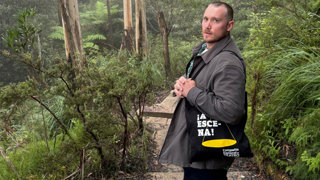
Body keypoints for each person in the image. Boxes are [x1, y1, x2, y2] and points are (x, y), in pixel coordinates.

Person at [159, 2, 247, 180]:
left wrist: (192, 92)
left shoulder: (228, 63)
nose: (207, 25)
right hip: (198, 150)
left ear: (229, 25)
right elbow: (200, 81)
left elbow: (231, 111)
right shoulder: (206, 50)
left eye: (215, 20)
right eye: (205, 19)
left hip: (209, 157)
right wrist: (182, 84)